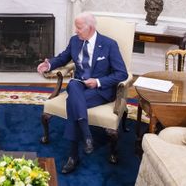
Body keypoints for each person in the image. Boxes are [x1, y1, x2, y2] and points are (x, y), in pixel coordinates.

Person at [37, 12, 128, 174]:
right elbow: (63, 58)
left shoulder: (109, 44)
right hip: (79, 84)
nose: (76, 31)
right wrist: (49, 65)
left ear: (90, 27)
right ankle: (86, 135)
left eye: (79, 27)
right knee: (73, 85)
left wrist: (98, 82)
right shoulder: (75, 41)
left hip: (99, 89)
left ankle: (73, 156)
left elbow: (122, 74)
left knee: (72, 102)